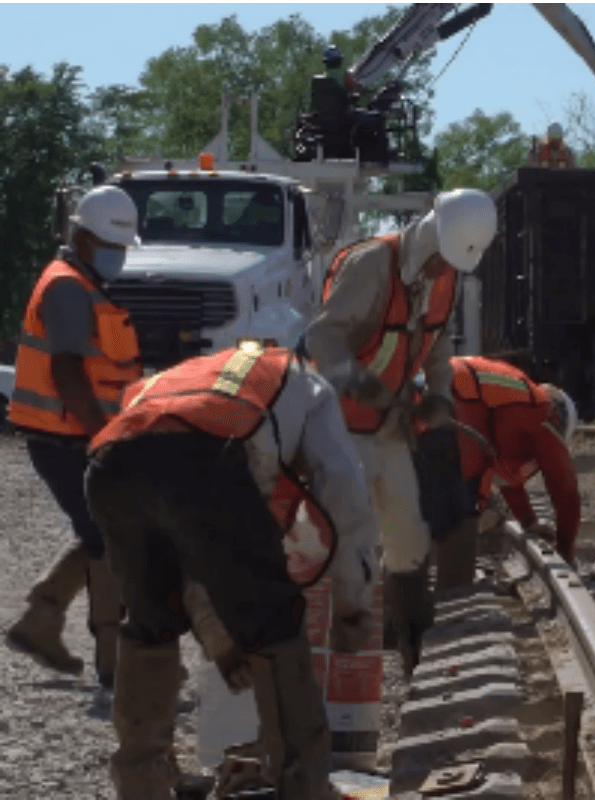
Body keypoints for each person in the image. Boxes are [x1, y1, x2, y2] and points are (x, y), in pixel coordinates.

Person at [84, 343, 380, 799]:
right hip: (203, 456)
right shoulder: (307, 383)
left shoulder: (189, 376)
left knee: (150, 627)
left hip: (109, 466)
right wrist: (353, 605)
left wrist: (218, 634)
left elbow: (193, 543)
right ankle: (303, 784)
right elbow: (341, 486)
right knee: (278, 626)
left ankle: (139, 785)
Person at [304, 188, 498, 674]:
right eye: (440, 261)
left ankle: (411, 655)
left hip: (389, 429)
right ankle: (329, 659)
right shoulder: (372, 266)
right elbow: (322, 339)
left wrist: (438, 397)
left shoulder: (448, 277)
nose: (441, 272)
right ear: (430, 235)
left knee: (409, 543)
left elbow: (436, 348)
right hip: (341, 426)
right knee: (345, 540)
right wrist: (361, 385)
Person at [5, 185, 142, 689]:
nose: (120, 256)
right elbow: (67, 374)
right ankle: (113, 662)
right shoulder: (67, 288)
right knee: (109, 537)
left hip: (71, 434)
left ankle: (40, 620)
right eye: (113, 245)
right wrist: (101, 435)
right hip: (63, 437)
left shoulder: (83, 284)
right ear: (83, 239)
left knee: (97, 531)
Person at [435, 356, 581, 586]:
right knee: (463, 496)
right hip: (462, 393)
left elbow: (505, 476)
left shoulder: (513, 409)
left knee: (426, 483)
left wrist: (528, 521)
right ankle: (452, 585)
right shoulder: (543, 410)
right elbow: (566, 490)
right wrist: (566, 549)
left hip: (444, 380)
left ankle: (415, 573)